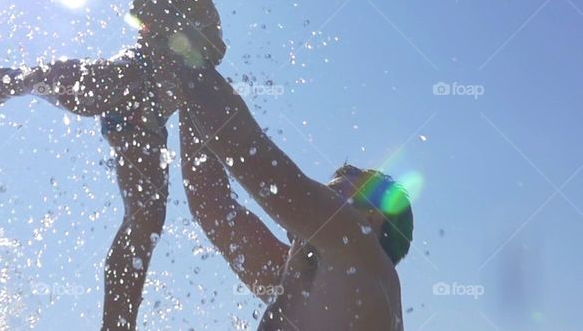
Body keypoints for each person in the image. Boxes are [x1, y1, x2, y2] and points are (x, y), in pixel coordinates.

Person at [0, 0, 250, 330]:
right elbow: (142, 11)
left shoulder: (209, 12)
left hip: (151, 121)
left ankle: (117, 324)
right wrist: (190, 44)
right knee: (94, 84)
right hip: (135, 76)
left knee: (148, 219)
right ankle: (26, 78)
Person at [176, 65, 413, 330]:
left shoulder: (365, 256)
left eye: (334, 194)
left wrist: (188, 56)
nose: (321, 196)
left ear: (372, 218)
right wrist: (188, 101)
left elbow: (260, 165)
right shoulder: (293, 279)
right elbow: (212, 205)